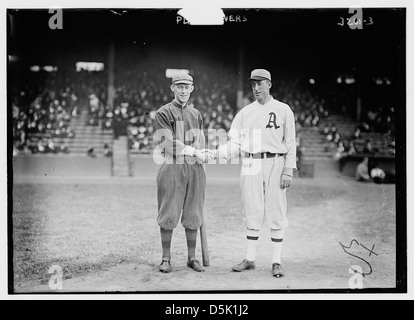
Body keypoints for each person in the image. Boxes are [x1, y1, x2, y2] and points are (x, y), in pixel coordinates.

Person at [209, 69, 297, 278]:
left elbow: (291, 141)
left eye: (260, 84)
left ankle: (276, 261)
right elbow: (234, 144)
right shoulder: (245, 112)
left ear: (269, 84)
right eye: (253, 84)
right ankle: (250, 259)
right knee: (251, 208)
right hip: (250, 161)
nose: (256, 88)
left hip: (276, 160)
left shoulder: (284, 109)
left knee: (276, 209)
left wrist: (288, 169)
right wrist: (212, 155)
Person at [153, 73, 210, 274]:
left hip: (195, 168)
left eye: (187, 87)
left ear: (192, 89)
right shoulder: (163, 113)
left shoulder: (197, 114)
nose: (184, 90)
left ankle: (192, 257)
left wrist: (203, 154)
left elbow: (201, 143)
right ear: (173, 88)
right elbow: (167, 143)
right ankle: (166, 258)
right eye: (180, 86)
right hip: (172, 166)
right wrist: (194, 151)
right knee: (168, 212)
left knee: (194, 212)